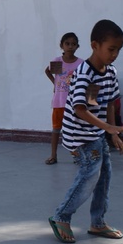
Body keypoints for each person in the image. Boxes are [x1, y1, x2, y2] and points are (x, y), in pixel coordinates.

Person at [48, 19, 123, 244]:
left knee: (104, 176)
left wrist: (112, 133)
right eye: (111, 49)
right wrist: (108, 128)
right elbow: (80, 109)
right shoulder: (85, 72)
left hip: (96, 133)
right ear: (95, 45)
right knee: (90, 175)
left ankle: (97, 223)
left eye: (118, 50)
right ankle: (61, 216)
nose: (114, 54)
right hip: (79, 135)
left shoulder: (110, 71)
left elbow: (108, 103)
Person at [44, 32, 81, 164]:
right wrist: (55, 83)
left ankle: (77, 155)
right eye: (67, 44)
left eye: (73, 44)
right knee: (56, 129)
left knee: (75, 130)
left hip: (73, 103)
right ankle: (53, 155)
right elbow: (47, 71)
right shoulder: (58, 61)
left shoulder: (80, 63)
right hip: (59, 102)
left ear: (77, 46)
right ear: (62, 45)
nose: (70, 46)